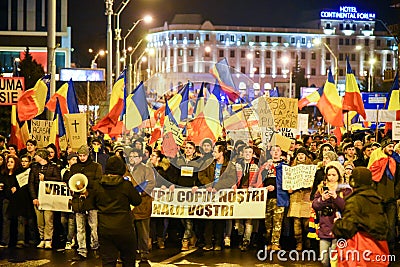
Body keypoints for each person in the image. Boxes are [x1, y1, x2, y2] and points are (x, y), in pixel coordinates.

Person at [333, 167, 389, 267]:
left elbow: (348, 227)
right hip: (377, 249)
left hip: (359, 250)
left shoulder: (355, 200)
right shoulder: (377, 200)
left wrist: (337, 223)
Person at [93, 156, 142, 267]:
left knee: (108, 261)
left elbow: (91, 204)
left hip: (105, 228)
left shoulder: (98, 185)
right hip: (124, 228)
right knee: (128, 261)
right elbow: (137, 201)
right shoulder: (126, 185)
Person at [312, 161, 352, 267]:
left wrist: (336, 197)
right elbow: (315, 205)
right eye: (329, 175)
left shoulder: (345, 189)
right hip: (324, 226)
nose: (331, 177)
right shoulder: (321, 188)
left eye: (334, 175)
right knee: (324, 260)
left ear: (339, 175)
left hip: (338, 228)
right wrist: (322, 199)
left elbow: (347, 207)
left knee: (335, 260)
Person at [198, 144, 237, 251]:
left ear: (221, 153)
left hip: (221, 196)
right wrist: (209, 185)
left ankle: (218, 243)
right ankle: (208, 243)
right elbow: (201, 174)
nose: (213, 153)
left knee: (220, 220)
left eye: (215, 151)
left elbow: (232, 179)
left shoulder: (229, 165)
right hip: (210, 195)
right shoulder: (208, 163)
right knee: (209, 219)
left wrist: (217, 186)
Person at [67, 144, 102, 260]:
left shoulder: (96, 167)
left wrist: (88, 190)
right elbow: (71, 181)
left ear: (88, 155)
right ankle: (81, 251)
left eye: (84, 155)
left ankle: (95, 247)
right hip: (78, 201)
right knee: (80, 227)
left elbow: (98, 183)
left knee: (94, 226)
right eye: (80, 155)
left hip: (92, 201)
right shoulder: (74, 167)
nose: (82, 158)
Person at [368, 137, 400, 253]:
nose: (391, 149)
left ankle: (389, 253)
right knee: (378, 227)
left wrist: (395, 194)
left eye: (392, 147)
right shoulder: (375, 162)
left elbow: (398, 181)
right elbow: (371, 179)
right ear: (384, 148)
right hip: (377, 200)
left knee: (391, 228)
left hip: (391, 200)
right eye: (389, 147)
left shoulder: (396, 162)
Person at [257, 145, 288, 251]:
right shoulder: (265, 166)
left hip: (279, 197)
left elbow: (286, 182)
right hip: (266, 198)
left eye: (277, 150)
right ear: (270, 152)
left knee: (278, 222)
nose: (275, 152)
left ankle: (275, 243)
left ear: (281, 153)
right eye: (273, 150)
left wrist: (275, 187)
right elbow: (259, 180)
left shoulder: (284, 166)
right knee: (268, 223)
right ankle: (268, 242)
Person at [28, 149, 61, 249]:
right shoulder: (34, 168)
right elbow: (31, 184)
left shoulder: (53, 167)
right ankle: (42, 238)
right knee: (40, 220)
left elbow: (58, 179)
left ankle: (48, 240)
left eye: (37, 155)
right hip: (37, 198)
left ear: (42, 156)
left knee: (48, 219)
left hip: (48, 198)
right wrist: (34, 197)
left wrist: (46, 178)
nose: (35, 157)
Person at [127, 148, 155, 264]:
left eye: (134, 156)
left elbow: (150, 183)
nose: (132, 158)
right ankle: (129, 253)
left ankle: (144, 254)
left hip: (142, 205)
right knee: (128, 233)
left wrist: (139, 192)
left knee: (143, 233)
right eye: (130, 156)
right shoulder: (126, 169)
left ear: (140, 158)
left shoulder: (146, 169)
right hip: (129, 207)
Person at [234, 145, 259, 251]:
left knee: (249, 219)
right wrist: (234, 184)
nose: (248, 154)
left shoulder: (256, 165)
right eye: (246, 152)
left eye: (250, 152)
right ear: (242, 154)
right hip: (239, 193)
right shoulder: (238, 165)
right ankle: (240, 238)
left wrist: (254, 187)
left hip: (250, 194)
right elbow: (233, 177)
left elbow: (259, 180)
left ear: (253, 154)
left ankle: (246, 240)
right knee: (238, 219)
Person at [287, 147, 313, 251]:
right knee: (296, 223)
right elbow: (288, 182)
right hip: (295, 197)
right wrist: (289, 188)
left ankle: (307, 241)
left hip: (306, 197)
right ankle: (299, 243)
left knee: (306, 223)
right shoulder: (291, 168)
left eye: (303, 154)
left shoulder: (311, 168)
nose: (300, 156)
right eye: (299, 154)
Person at [10, 154, 35, 248]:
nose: (24, 163)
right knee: (21, 220)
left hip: (29, 198)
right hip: (20, 199)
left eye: (26, 161)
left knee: (31, 221)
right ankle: (20, 240)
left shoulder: (32, 171)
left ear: (30, 162)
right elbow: (14, 183)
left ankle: (32, 240)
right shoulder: (17, 172)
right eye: (22, 161)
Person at [0, 155, 19, 247]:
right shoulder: (4, 174)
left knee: (16, 220)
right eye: (8, 162)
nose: (9, 164)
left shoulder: (18, 174)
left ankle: (15, 240)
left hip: (16, 200)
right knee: (6, 219)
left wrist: (16, 188)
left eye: (11, 162)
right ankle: (5, 241)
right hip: (6, 199)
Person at [61, 153, 78, 250]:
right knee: (63, 221)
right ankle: (70, 236)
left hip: (73, 199)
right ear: (68, 161)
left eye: (76, 159)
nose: (74, 161)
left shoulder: (78, 172)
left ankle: (69, 240)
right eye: (72, 159)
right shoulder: (64, 172)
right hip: (63, 200)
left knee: (71, 221)